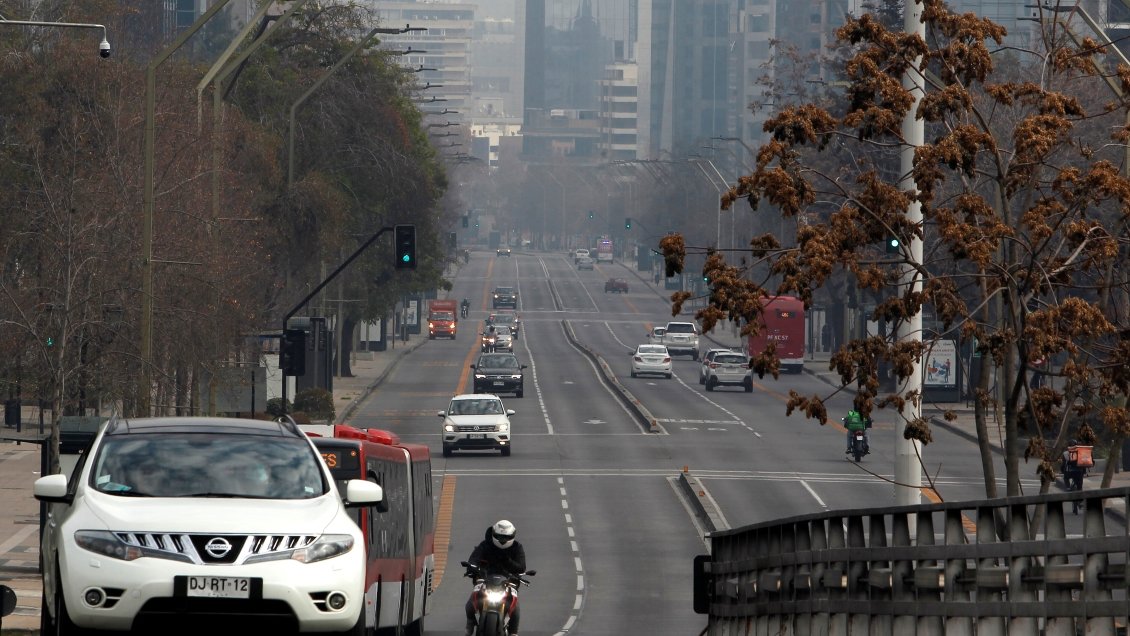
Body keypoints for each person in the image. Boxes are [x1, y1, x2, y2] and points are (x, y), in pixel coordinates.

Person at [464, 520, 526, 636]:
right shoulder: (486, 545)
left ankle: (513, 632)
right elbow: (474, 558)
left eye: (506, 537)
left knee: (515, 607)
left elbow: (521, 567)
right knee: (470, 604)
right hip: (486, 579)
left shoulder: (517, 547)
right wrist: (471, 568)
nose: (502, 540)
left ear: (512, 536)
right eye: (500, 537)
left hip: (508, 581)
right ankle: (470, 624)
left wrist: (508, 562)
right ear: (493, 535)